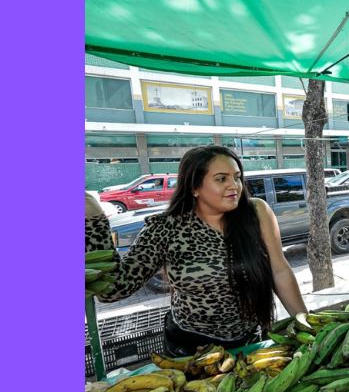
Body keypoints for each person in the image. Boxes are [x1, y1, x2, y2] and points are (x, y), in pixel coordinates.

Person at [85, 145, 308, 356]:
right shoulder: (165, 228)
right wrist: (95, 220)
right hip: (189, 349)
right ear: (194, 187)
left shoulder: (256, 212)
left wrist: (306, 325)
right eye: (221, 179)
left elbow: (279, 271)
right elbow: (113, 290)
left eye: (237, 177)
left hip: (249, 342)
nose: (235, 186)